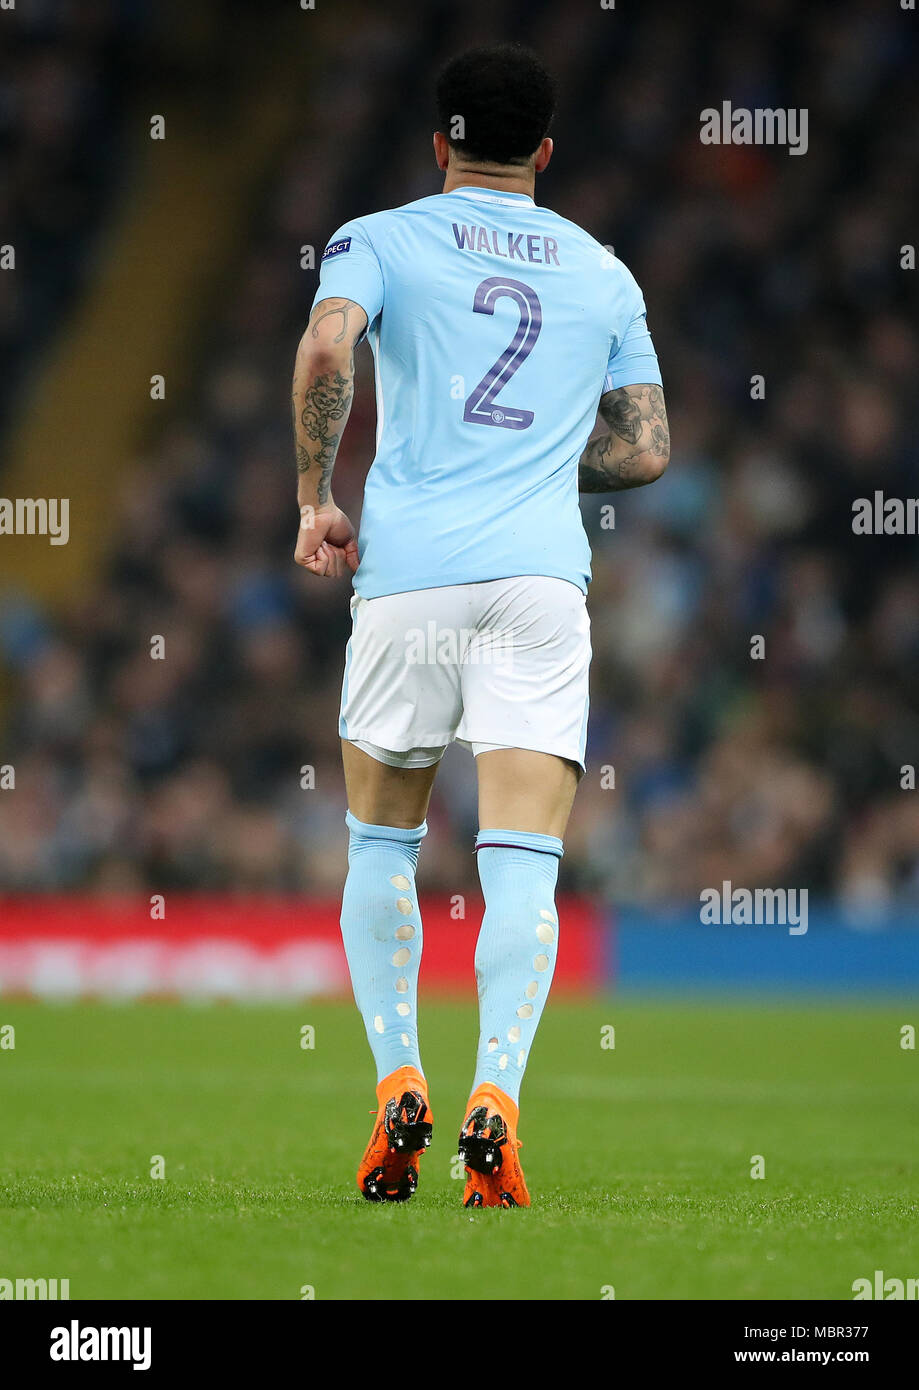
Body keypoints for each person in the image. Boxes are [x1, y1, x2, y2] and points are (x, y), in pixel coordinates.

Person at [291, 42, 669, 1208]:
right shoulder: (604, 273)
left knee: (380, 845)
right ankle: (493, 1098)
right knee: (523, 862)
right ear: (546, 151)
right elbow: (648, 448)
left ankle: (397, 1077)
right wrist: (548, 465)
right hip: (538, 584)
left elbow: (324, 349)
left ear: (437, 142)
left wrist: (315, 499)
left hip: (407, 579)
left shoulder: (379, 236)